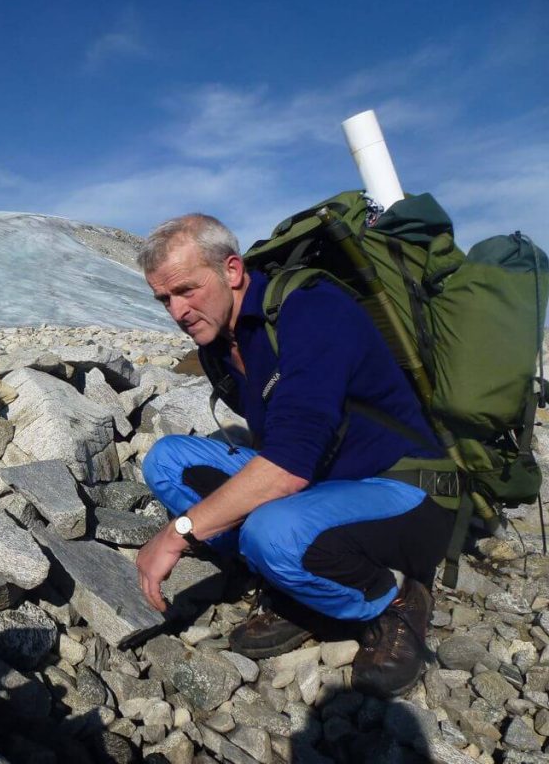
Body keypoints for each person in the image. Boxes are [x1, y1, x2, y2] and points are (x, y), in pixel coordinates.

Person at [135, 212, 454, 698]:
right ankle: (294, 579)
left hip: (401, 486)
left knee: (273, 532)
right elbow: (282, 450)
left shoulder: (310, 310)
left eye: (186, 291)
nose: (178, 312)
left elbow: (286, 467)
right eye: (165, 299)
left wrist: (179, 533)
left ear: (233, 270)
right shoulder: (221, 341)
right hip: (323, 481)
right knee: (168, 461)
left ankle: (391, 599)